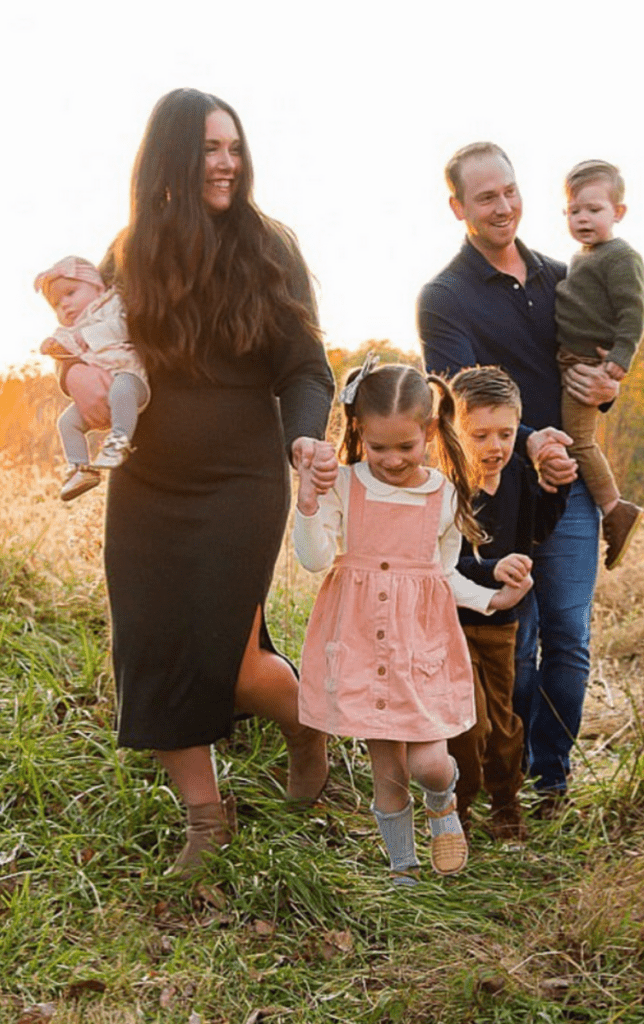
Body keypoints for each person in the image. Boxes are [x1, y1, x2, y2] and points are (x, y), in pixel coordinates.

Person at [60, 88, 337, 877]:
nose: (225, 163)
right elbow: (94, 350)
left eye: (234, 148)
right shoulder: (128, 252)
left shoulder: (267, 247)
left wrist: (304, 439)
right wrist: (74, 384)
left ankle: (307, 727)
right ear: (171, 161)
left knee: (237, 662)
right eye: (210, 148)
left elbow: (304, 366)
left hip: (240, 477)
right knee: (150, 646)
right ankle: (206, 822)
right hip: (147, 480)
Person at [417, 142, 619, 809]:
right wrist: (532, 444)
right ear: (457, 208)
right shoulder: (442, 297)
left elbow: (587, 367)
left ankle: (550, 780)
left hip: (569, 486)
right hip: (496, 493)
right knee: (515, 641)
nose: (502, 206)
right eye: (484, 197)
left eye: (508, 191)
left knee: (568, 637)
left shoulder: (564, 276)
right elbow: (456, 400)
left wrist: (603, 383)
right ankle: (503, 782)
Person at [293, 359, 530, 885]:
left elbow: (443, 574)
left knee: (427, 764)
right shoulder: (344, 485)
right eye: (379, 448)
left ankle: (442, 802)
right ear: (358, 432)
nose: (392, 460)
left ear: (428, 431)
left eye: (406, 447)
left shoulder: (442, 494)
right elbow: (314, 559)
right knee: (388, 773)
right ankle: (403, 867)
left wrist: (493, 600)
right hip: (361, 644)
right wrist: (307, 503)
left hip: (419, 646)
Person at [448, 367, 567, 841]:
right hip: (453, 621)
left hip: (502, 623)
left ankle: (505, 803)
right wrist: (492, 568)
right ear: (454, 431)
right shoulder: (447, 485)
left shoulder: (516, 473)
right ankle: (456, 808)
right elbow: (443, 562)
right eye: (480, 435)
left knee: (504, 720)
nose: (494, 446)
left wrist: (555, 491)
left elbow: (534, 534)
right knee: (467, 722)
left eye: (505, 433)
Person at [556, 159, 644, 570]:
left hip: (588, 366)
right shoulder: (581, 257)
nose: (583, 218)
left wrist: (619, 362)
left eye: (594, 209)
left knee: (579, 439)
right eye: (575, 210)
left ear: (618, 212)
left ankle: (615, 509)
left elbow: (632, 312)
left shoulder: (621, 256)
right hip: (568, 360)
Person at [35, 256, 150, 501]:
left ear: (97, 286)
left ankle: (119, 441)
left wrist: (83, 337)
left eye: (71, 293)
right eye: (56, 304)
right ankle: (79, 468)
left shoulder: (112, 304)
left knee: (122, 389)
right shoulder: (69, 330)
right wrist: (54, 347)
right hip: (99, 391)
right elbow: (65, 355)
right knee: (66, 422)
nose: (64, 305)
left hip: (130, 377)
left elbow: (123, 327)